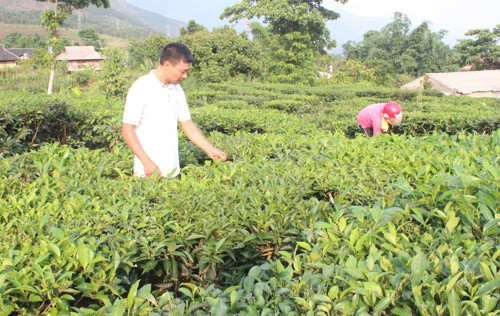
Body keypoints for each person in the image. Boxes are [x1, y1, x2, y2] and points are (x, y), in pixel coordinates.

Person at [122, 42, 227, 178]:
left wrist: (210, 149)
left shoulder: (176, 89)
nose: (185, 76)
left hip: (173, 171)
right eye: (182, 71)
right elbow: (127, 130)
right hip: (148, 174)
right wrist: (146, 162)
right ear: (167, 65)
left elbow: (187, 123)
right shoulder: (141, 87)